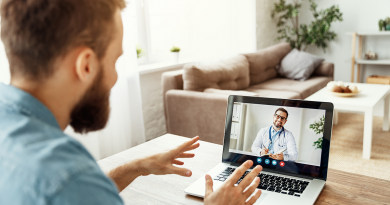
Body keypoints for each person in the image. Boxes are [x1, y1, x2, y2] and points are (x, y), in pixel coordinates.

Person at [0, 0, 263, 204]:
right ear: (86, 65)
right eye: (115, 61)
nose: (115, 77)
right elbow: (72, 186)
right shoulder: (67, 176)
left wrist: (137, 167)